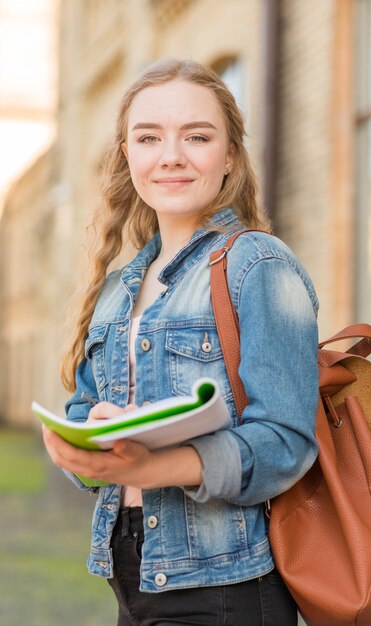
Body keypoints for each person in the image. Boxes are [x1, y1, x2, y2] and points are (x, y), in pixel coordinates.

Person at [42, 58, 319, 626]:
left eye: (197, 136)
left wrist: (152, 467)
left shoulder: (257, 265)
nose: (171, 155)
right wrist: (84, 446)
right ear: (127, 155)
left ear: (231, 157)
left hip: (226, 586)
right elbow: (82, 411)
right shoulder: (119, 288)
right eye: (149, 137)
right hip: (132, 574)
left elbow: (286, 443)